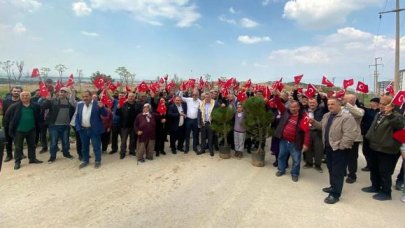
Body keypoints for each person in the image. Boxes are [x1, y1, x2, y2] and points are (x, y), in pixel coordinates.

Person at [311, 97, 357, 204]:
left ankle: (335, 194)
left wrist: (341, 147)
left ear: (339, 105)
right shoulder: (327, 115)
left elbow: (350, 134)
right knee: (331, 170)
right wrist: (313, 122)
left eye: (332, 104)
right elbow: (322, 127)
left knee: (337, 172)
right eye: (328, 104)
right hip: (328, 148)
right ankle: (333, 187)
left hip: (339, 150)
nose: (330, 106)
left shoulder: (346, 117)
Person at [362, 95, 405, 201]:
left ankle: (386, 192)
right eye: (380, 103)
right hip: (375, 147)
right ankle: (375, 186)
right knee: (374, 168)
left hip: (387, 149)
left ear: (391, 105)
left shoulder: (396, 116)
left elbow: (399, 125)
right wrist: (368, 136)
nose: (381, 106)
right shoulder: (378, 114)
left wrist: (389, 114)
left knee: (385, 172)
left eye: (384, 104)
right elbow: (374, 128)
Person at [4, 91, 43, 170]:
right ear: (20, 97)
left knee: (32, 145)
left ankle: (32, 159)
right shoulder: (14, 106)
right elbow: (7, 117)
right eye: (23, 95)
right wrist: (9, 126)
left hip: (32, 130)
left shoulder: (35, 106)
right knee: (18, 147)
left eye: (27, 95)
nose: (25, 97)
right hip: (19, 130)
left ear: (30, 97)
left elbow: (39, 115)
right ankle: (17, 162)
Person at [274, 100, 310, 182]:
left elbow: (307, 131)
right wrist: (276, 97)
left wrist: (306, 144)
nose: (293, 108)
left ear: (298, 107)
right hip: (284, 141)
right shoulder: (286, 113)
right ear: (289, 107)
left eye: (295, 107)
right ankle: (281, 170)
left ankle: (294, 174)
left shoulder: (303, 117)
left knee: (296, 160)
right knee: (281, 156)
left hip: (295, 143)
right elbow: (279, 104)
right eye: (291, 107)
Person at [42, 87, 76, 163]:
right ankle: (52, 157)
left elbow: (74, 110)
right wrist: (47, 100)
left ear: (67, 94)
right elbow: (43, 107)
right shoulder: (52, 101)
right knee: (54, 142)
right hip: (54, 126)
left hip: (65, 126)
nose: (62, 93)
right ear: (58, 93)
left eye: (64, 92)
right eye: (61, 91)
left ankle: (66, 154)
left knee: (66, 141)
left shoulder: (70, 103)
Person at [75, 91, 107, 169]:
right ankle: (85, 161)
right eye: (83, 97)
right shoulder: (80, 105)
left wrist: (102, 107)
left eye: (87, 96)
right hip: (83, 130)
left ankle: (97, 161)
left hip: (94, 130)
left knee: (96, 146)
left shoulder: (97, 104)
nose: (85, 98)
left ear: (91, 96)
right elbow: (77, 116)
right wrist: (78, 127)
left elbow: (105, 114)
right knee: (84, 147)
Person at [342, 94, 364, 184]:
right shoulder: (342, 109)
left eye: (345, 99)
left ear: (351, 101)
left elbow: (358, 114)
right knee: (342, 155)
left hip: (354, 138)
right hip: (342, 136)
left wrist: (347, 105)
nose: (343, 100)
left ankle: (352, 175)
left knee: (352, 157)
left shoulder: (359, 109)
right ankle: (343, 170)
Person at [304, 96, 328, 173]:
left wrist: (324, 98)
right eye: (310, 102)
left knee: (319, 149)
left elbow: (327, 106)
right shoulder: (305, 110)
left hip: (318, 131)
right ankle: (309, 163)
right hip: (307, 131)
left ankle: (318, 165)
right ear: (308, 103)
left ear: (317, 103)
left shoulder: (322, 110)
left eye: (314, 102)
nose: (312, 104)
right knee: (308, 148)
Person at [2, 86, 22, 162]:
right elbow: (4, 113)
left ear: (20, 92)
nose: (16, 92)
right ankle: (9, 155)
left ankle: (20, 154)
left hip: (19, 124)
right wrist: (4, 124)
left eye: (18, 91)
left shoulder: (22, 102)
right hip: (8, 124)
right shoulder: (5, 101)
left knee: (18, 140)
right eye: (15, 91)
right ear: (11, 92)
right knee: (8, 140)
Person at [359, 97, 380, 171]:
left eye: (371, 102)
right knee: (365, 150)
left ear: (376, 103)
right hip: (366, 134)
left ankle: (373, 165)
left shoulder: (380, 112)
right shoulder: (367, 110)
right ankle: (369, 164)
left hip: (376, 135)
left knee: (373, 151)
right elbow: (359, 106)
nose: (370, 103)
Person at [116, 93, 137, 159]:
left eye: (132, 96)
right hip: (124, 126)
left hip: (133, 126)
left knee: (133, 139)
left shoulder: (137, 104)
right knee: (123, 140)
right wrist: (118, 108)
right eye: (130, 96)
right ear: (127, 97)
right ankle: (123, 152)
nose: (131, 97)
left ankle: (132, 150)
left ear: (134, 97)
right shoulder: (123, 104)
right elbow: (117, 114)